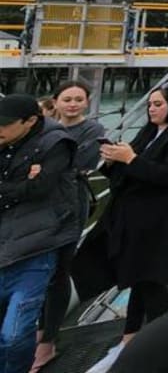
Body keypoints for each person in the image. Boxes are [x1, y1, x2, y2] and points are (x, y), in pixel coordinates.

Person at [81, 83, 168, 372]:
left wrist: (131, 159)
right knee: (139, 275)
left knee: (152, 277)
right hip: (133, 216)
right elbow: (132, 164)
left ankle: (156, 339)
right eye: (150, 104)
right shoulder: (150, 131)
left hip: (160, 218)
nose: (152, 109)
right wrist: (113, 160)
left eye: (158, 104)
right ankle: (132, 334)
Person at [0, 95, 79, 373]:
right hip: (7, 242)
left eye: (5, 124)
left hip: (37, 245)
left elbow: (39, 189)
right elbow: (25, 190)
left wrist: (17, 188)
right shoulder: (9, 142)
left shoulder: (56, 142)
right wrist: (21, 185)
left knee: (14, 334)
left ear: (30, 121)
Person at [34, 81, 106, 371]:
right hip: (39, 207)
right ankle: (37, 329)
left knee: (59, 271)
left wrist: (42, 166)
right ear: (56, 101)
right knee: (36, 269)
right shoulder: (43, 127)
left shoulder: (93, 131)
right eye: (67, 99)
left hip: (71, 206)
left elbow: (81, 162)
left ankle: (47, 340)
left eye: (79, 99)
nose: (73, 104)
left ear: (87, 102)